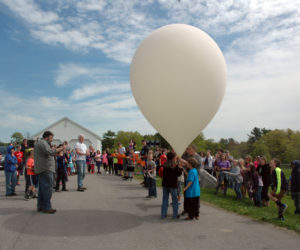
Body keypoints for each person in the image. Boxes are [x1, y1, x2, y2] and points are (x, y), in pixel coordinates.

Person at [34, 131, 65, 214]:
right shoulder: (43, 143)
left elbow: (49, 152)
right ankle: (47, 207)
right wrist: (60, 149)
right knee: (48, 188)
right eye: (51, 138)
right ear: (47, 137)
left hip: (43, 169)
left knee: (42, 189)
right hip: (46, 169)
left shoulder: (41, 143)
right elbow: (50, 152)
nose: (52, 140)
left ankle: (40, 206)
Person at [161, 152, 183, 219]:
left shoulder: (165, 164)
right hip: (172, 185)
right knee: (175, 200)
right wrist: (180, 167)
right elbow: (178, 174)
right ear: (173, 158)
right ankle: (175, 214)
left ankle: (163, 214)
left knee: (165, 199)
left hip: (165, 184)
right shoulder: (174, 165)